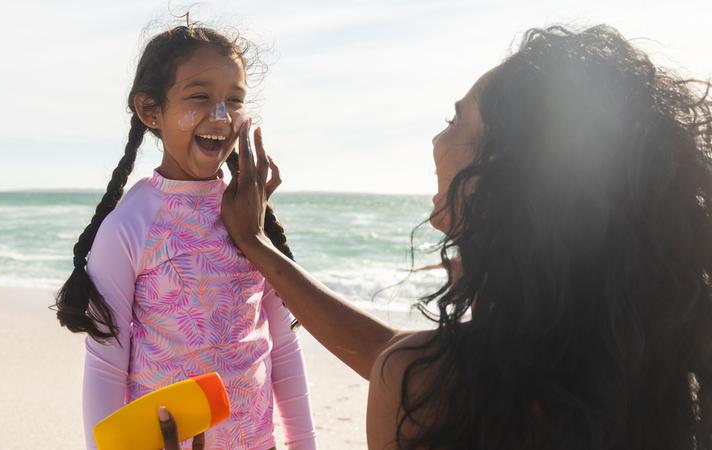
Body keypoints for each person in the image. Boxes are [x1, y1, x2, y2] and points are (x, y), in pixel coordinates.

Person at [221, 25, 712, 449]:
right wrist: (259, 247)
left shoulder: (436, 385)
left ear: (500, 173)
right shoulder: (648, 357)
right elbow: (396, 354)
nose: (437, 141)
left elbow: (411, 368)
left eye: (456, 121)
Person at [53, 23, 316, 450]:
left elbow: (282, 345)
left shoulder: (248, 215)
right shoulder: (130, 226)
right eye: (199, 97)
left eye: (234, 100)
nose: (220, 115)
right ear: (150, 110)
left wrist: (304, 444)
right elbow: (105, 365)